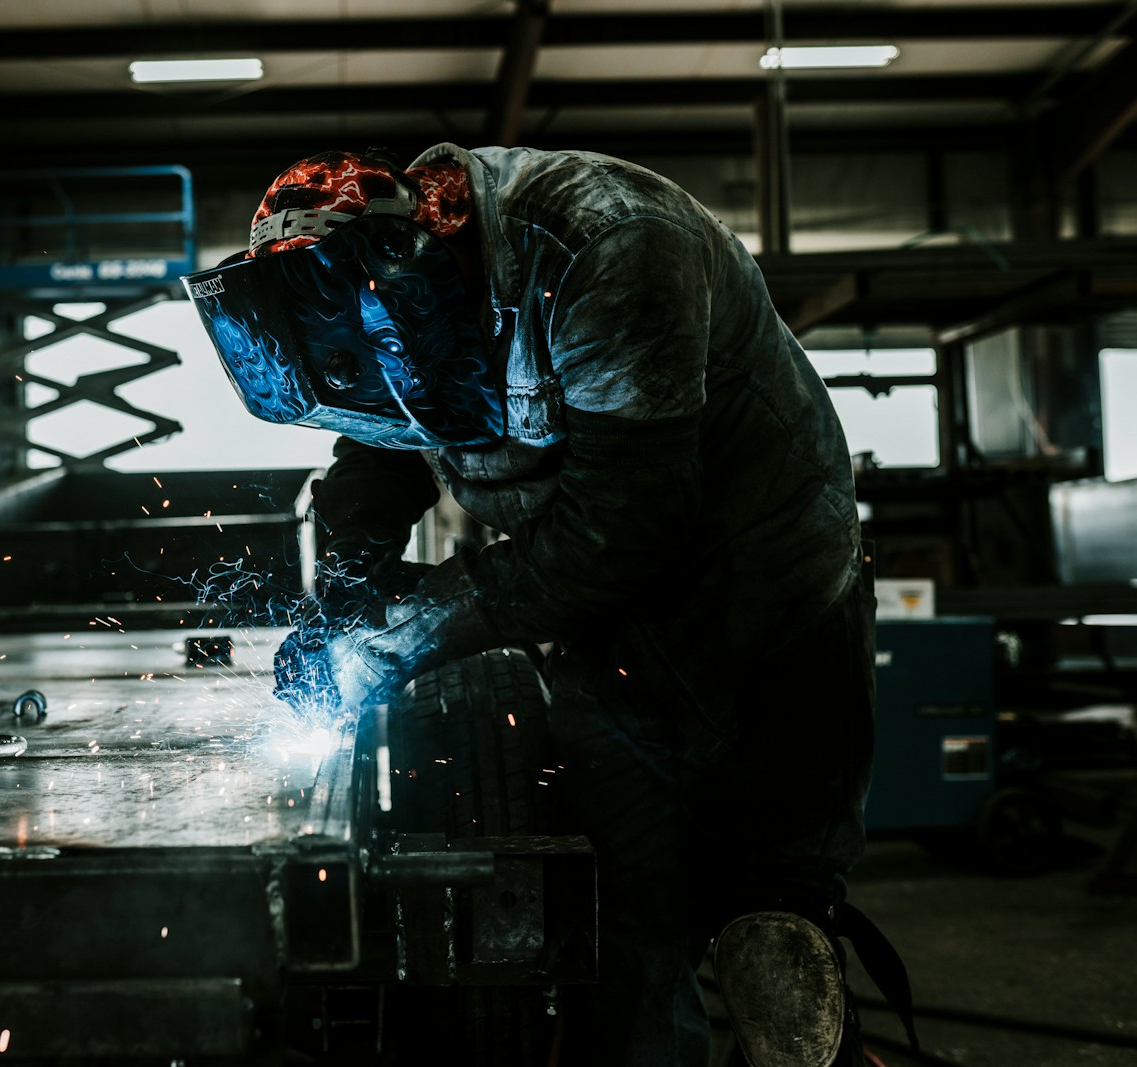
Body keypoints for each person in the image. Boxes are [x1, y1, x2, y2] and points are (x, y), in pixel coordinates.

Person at [183, 146, 910, 1066]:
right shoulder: (390, 301)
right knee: (625, 931)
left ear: (419, 259)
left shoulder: (608, 242)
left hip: (767, 609)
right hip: (600, 638)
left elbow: (623, 528)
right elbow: (383, 444)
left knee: (771, 923)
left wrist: (393, 644)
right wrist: (342, 598)